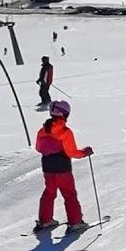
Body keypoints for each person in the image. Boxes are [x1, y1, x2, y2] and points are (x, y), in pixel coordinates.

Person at [33, 100, 92, 233]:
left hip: (47, 167)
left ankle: (45, 220)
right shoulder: (65, 131)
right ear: (65, 114)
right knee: (69, 194)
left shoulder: (42, 130)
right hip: (62, 168)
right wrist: (84, 153)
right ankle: (75, 222)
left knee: (49, 193)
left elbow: (38, 148)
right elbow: (71, 152)